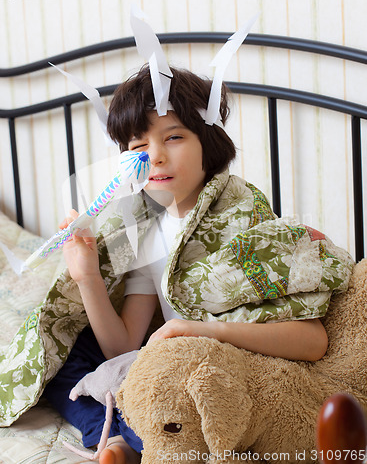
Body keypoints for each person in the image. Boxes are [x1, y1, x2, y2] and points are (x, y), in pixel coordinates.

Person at [44, 65, 352, 464]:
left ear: (208, 143)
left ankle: (130, 437)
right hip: (164, 359)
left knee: (178, 388)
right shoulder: (145, 228)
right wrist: (87, 275)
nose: (154, 155)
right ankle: (116, 438)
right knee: (63, 354)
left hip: (226, 365)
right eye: (138, 147)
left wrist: (200, 330)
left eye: (173, 137)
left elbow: (313, 342)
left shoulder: (246, 220)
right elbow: (122, 347)